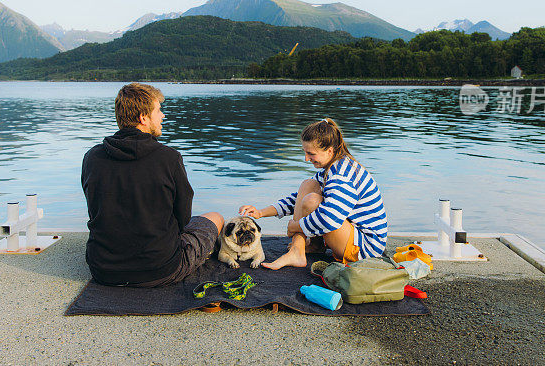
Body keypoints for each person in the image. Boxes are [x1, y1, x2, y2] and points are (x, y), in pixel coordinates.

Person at [81, 82, 224, 287]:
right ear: (143, 118)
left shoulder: (92, 157)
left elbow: (95, 210)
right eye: (159, 110)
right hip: (160, 270)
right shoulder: (169, 158)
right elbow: (183, 219)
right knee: (215, 218)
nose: (163, 115)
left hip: (103, 270)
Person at [240, 118, 388, 269]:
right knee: (308, 185)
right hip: (351, 234)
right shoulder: (333, 167)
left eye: (311, 153)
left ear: (329, 150)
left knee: (312, 201)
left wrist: (297, 226)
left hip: (365, 249)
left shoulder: (341, 176)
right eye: (304, 152)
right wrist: (260, 213)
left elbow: (330, 219)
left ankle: (298, 251)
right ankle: (305, 248)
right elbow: (296, 200)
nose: (306, 159)